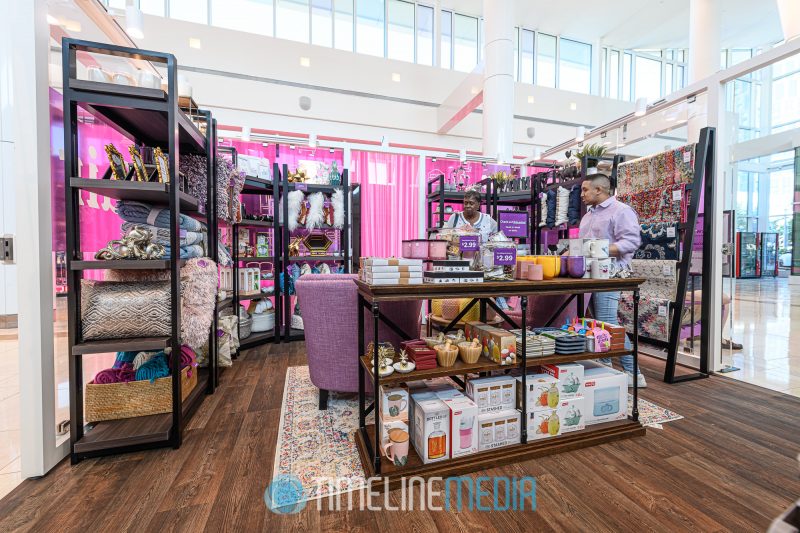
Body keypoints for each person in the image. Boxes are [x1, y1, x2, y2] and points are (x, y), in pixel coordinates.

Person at [579, 174, 646, 387]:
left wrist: (599, 249)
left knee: (608, 323)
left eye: (585, 190)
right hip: (589, 275)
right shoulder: (588, 216)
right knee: (596, 324)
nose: (582, 195)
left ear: (599, 190)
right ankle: (605, 369)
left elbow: (632, 242)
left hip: (611, 274)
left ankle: (634, 374)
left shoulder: (621, 211)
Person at [444, 189, 508, 310]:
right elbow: (445, 239)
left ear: (479, 204)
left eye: (471, 203)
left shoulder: (488, 221)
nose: (467, 206)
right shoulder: (455, 218)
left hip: (481, 271)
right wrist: (455, 243)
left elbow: (500, 241)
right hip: (458, 267)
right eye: (465, 202)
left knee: (479, 302)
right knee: (458, 302)